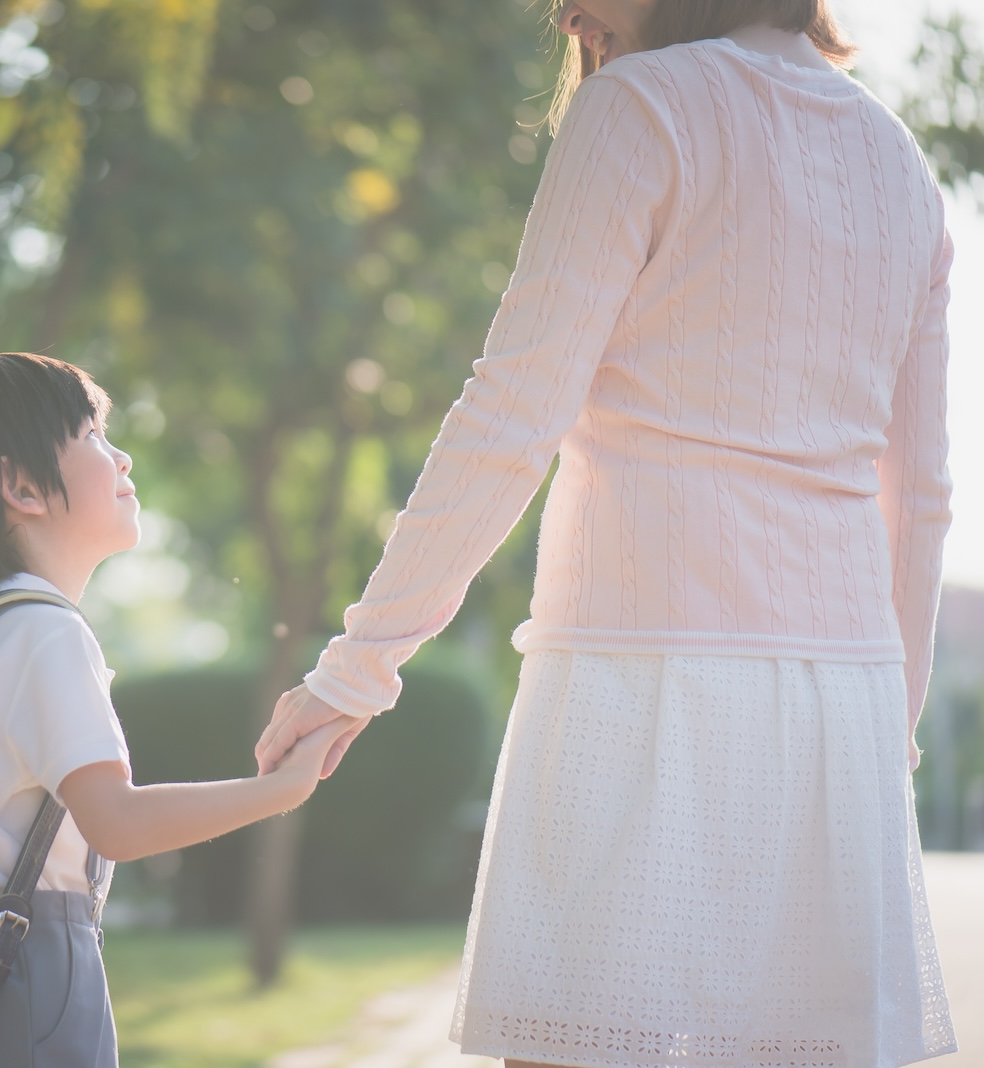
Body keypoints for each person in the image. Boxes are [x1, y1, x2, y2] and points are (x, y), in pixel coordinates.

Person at [254, 2, 957, 1066]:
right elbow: (925, 495)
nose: (570, 14)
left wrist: (356, 671)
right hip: (839, 707)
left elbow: (510, 414)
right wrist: (887, 735)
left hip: (638, 678)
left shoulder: (640, 107)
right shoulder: (904, 169)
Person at [0, 348, 346, 1068]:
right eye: (91, 437)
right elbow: (115, 822)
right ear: (21, 485)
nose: (120, 459)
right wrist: (281, 790)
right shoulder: (44, 631)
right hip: (28, 993)